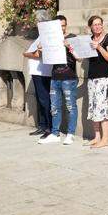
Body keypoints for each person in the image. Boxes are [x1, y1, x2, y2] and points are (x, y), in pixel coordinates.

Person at [39, 15, 79, 145]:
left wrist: (69, 47)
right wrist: (41, 49)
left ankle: (70, 133)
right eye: (60, 26)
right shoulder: (50, 38)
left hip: (69, 77)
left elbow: (80, 58)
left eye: (64, 25)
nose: (62, 28)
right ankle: (55, 133)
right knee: (54, 107)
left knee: (70, 107)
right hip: (55, 77)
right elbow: (45, 56)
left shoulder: (72, 37)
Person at [86, 15, 108, 148]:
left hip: (103, 78)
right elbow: (82, 59)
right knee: (93, 107)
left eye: (99, 24)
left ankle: (106, 139)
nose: (98, 26)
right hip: (91, 78)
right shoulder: (89, 39)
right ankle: (97, 136)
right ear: (91, 27)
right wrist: (74, 52)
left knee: (102, 108)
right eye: (95, 24)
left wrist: (98, 47)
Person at [23, 32, 53, 138]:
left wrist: (26, 53)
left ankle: (49, 128)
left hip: (43, 73)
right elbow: (32, 53)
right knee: (40, 101)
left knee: (45, 101)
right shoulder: (40, 38)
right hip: (36, 73)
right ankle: (42, 126)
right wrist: (28, 53)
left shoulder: (47, 38)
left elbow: (36, 54)